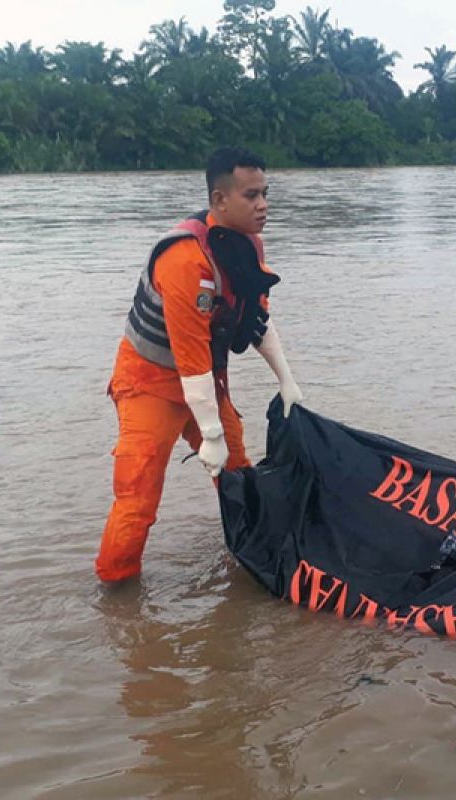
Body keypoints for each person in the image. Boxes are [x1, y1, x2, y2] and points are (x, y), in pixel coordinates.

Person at [96, 148, 304, 583]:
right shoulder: (185, 261)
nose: (263, 204)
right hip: (150, 383)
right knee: (138, 497)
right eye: (251, 195)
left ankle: (251, 564)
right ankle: (116, 589)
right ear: (219, 200)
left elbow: (254, 320)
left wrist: (287, 382)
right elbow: (190, 361)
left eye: (266, 193)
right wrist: (209, 435)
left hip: (205, 381)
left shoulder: (248, 245)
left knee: (238, 474)